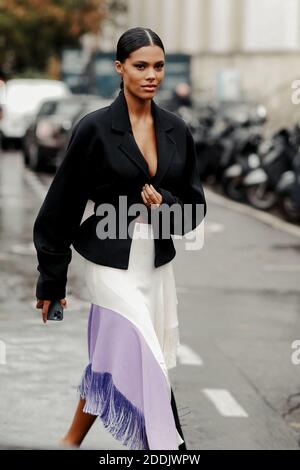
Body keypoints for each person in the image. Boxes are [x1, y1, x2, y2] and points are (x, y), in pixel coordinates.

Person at [33, 27, 207, 450]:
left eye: (159, 66)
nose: (152, 75)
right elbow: (60, 207)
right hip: (109, 263)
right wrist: (51, 283)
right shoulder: (93, 129)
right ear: (120, 68)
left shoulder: (176, 130)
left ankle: (70, 442)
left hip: (156, 264)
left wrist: (163, 203)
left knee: (123, 358)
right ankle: (171, 448)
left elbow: (194, 212)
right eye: (140, 65)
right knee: (142, 347)